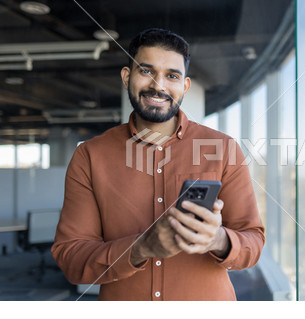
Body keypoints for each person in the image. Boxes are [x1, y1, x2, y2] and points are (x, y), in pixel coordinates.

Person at [51, 28, 265, 301]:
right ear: (127, 77)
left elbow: (253, 242)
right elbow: (71, 258)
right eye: (146, 71)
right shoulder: (90, 156)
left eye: (172, 76)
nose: (158, 85)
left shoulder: (223, 148)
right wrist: (140, 248)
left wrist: (217, 240)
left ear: (184, 86)